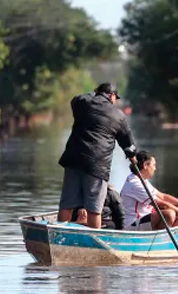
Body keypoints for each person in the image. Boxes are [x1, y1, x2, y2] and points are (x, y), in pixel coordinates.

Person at [58, 83, 136, 229]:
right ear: (112, 96)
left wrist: (94, 93)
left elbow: (76, 99)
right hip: (97, 165)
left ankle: (58, 235)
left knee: (67, 205)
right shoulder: (119, 115)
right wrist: (132, 156)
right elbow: (129, 145)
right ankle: (94, 243)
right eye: (115, 98)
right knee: (94, 209)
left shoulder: (84, 103)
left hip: (74, 160)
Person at [121, 150, 178, 230]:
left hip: (145, 219)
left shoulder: (142, 180)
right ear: (145, 165)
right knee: (169, 214)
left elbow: (163, 197)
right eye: (153, 165)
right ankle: (161, 241)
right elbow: (162, 205)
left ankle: (172, 238)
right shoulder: (134, 183)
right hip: (133, 224)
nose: (155, 168)